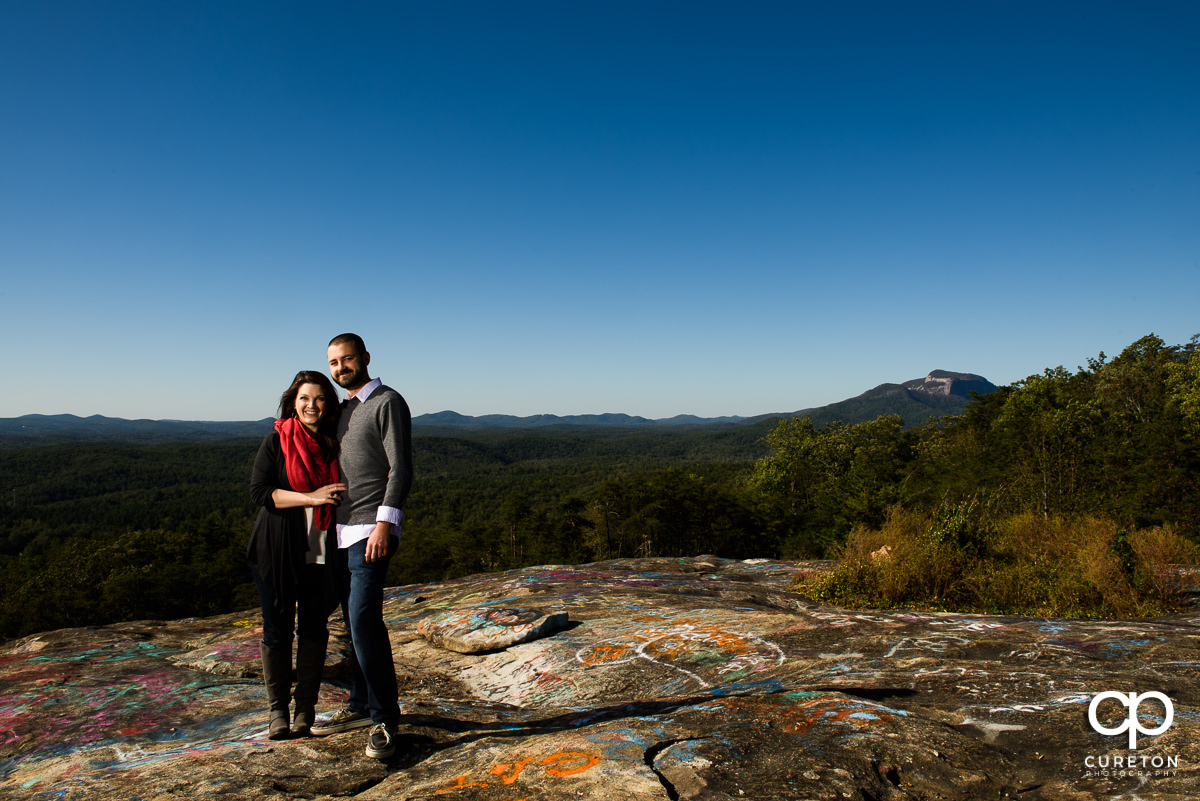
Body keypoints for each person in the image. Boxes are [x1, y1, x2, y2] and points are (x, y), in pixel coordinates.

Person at [310, 333, 413, 760]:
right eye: (333, 363)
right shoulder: (342, 410)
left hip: (371, 530)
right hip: (337, 531)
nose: (340, 368)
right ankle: (357, 704)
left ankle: (385, 719)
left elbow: (401, 468)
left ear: (365, 358)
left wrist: (385, 524)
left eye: (346, 359)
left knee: (364, 620)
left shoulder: (387, 401)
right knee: (352, 627)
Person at [248, 371, 347, 740]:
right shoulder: (277, 440)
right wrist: (311, 497)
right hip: (277, 548)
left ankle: (305, 708)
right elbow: (261, 492)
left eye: (320, 398)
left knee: (313, 629)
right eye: (305, 398)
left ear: (329, 404)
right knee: (277, 631)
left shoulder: (336, 443)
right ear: (293, 401)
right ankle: (277, 711)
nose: (311, 405)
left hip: (322, 546)